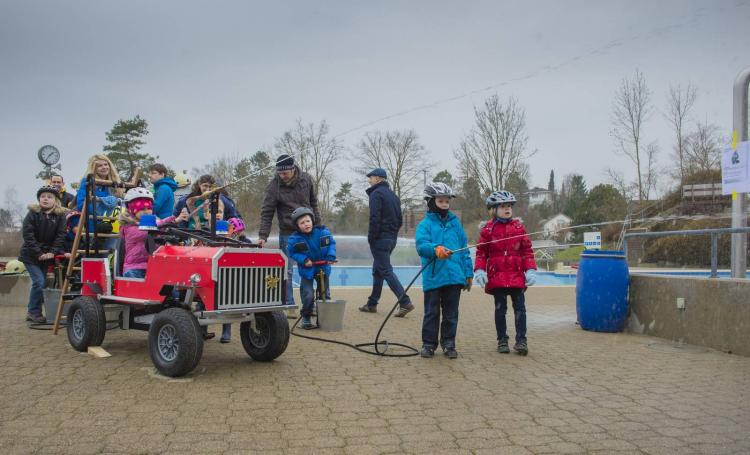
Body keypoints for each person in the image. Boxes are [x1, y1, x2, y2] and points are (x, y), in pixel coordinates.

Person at [473, 190, 537, 356]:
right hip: (497, 277)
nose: (507, 209)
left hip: (516, 276)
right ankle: (502, 339)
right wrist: (479, 269)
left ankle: (521, 340)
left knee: (520, 309)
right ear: (493, 209)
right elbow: (481, 253)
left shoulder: (519, 228)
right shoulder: (487, 230)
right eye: (502, 206)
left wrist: (530, 269)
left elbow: (527, 251)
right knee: (500, 309)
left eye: (509, 206)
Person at [258, 155, 321, 317]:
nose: (282, 175)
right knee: (287, 270)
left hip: (308, 231)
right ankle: (289, 304)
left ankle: (309, 305)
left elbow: (313, 203)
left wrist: (318, 227)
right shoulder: (274, 186)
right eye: (280, 173)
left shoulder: (306, 180)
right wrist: (263, 235)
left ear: (293, 169)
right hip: (288, 233)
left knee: (308, 267)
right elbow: (267, 212)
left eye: (285, 172)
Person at [415, 183, 473, 359]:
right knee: (431, 313)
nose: (445, 204)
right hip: (433, 277)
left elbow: (464, 249)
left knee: (451, 314)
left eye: (447, 201)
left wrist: (468, 273)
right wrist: (436, 249)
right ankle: (428, 344)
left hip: (455, 278)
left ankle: (449, 343)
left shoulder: (456, 225)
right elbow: (421, 246)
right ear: (431, 202)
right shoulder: (424, 225)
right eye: (440, 201)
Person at [359, 168, 413, 317]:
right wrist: (392, 236)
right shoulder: (394, 196)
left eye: (371, 178)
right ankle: (372, 304)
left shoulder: (376, 194)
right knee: (378, 270)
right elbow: (400, 220)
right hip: (391, 238)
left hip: (380, 239)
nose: (369, 181)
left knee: (386, 270)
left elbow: (374, 218)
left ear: (378, 178)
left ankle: (405, 302)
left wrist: (372, 238)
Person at [18, 186, 68, 323]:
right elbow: (28, 235)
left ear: (56, 201)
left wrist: (52, 252)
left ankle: (35, 310)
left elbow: (60, 236)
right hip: (30, 255)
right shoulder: (32, 214)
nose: (45, 199)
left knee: (44, 283)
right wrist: (39, 253)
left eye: (49, 197)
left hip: (48, 256)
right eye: (43, 196)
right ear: (39, 199)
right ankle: (34, 312)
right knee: (39, 282)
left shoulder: (60, 216)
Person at [118, 187, 188, 279]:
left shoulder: (154, 221)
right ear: (131, 210)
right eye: (142, 209)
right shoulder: (128, 226)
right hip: (134, 268)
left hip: (153, 265)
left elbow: (160, 228)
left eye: (149, 208)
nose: (146, 212)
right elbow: (147, 231)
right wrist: (173, 219)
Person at [286, 207, 336, 330]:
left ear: (312, 221)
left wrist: (330, 256)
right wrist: (304, 259)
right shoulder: (295, 239)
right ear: (297, 226)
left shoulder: (323, 232)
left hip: (323, 267)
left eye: (308, 221)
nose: (306, 224)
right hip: (307, 270)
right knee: (308, 295)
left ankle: (324, 318)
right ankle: (306, 317)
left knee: (325, 294)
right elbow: (292, 253)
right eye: (302, 223)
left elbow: (331, 245)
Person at [75, 154, 123, 250]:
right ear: (93, 168)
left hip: (114, 226)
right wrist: (102, 203)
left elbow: (121, 203)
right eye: (100, 166)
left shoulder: (114, 183)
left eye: (106, 164)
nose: (104, 167)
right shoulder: (87, 182)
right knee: (98, 255)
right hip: (94, 227)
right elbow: (81, 204)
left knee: (112, 255)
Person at [173, 174, 241, 225]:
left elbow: (235, 218)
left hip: (217, 234)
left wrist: (229, 222)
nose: (208, 189)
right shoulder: (186, 200)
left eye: (210, 186)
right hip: (192, 235)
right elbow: (173, 220)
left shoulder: (223, 200)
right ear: (199, 185)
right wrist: (178, 219)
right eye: (205, 186)